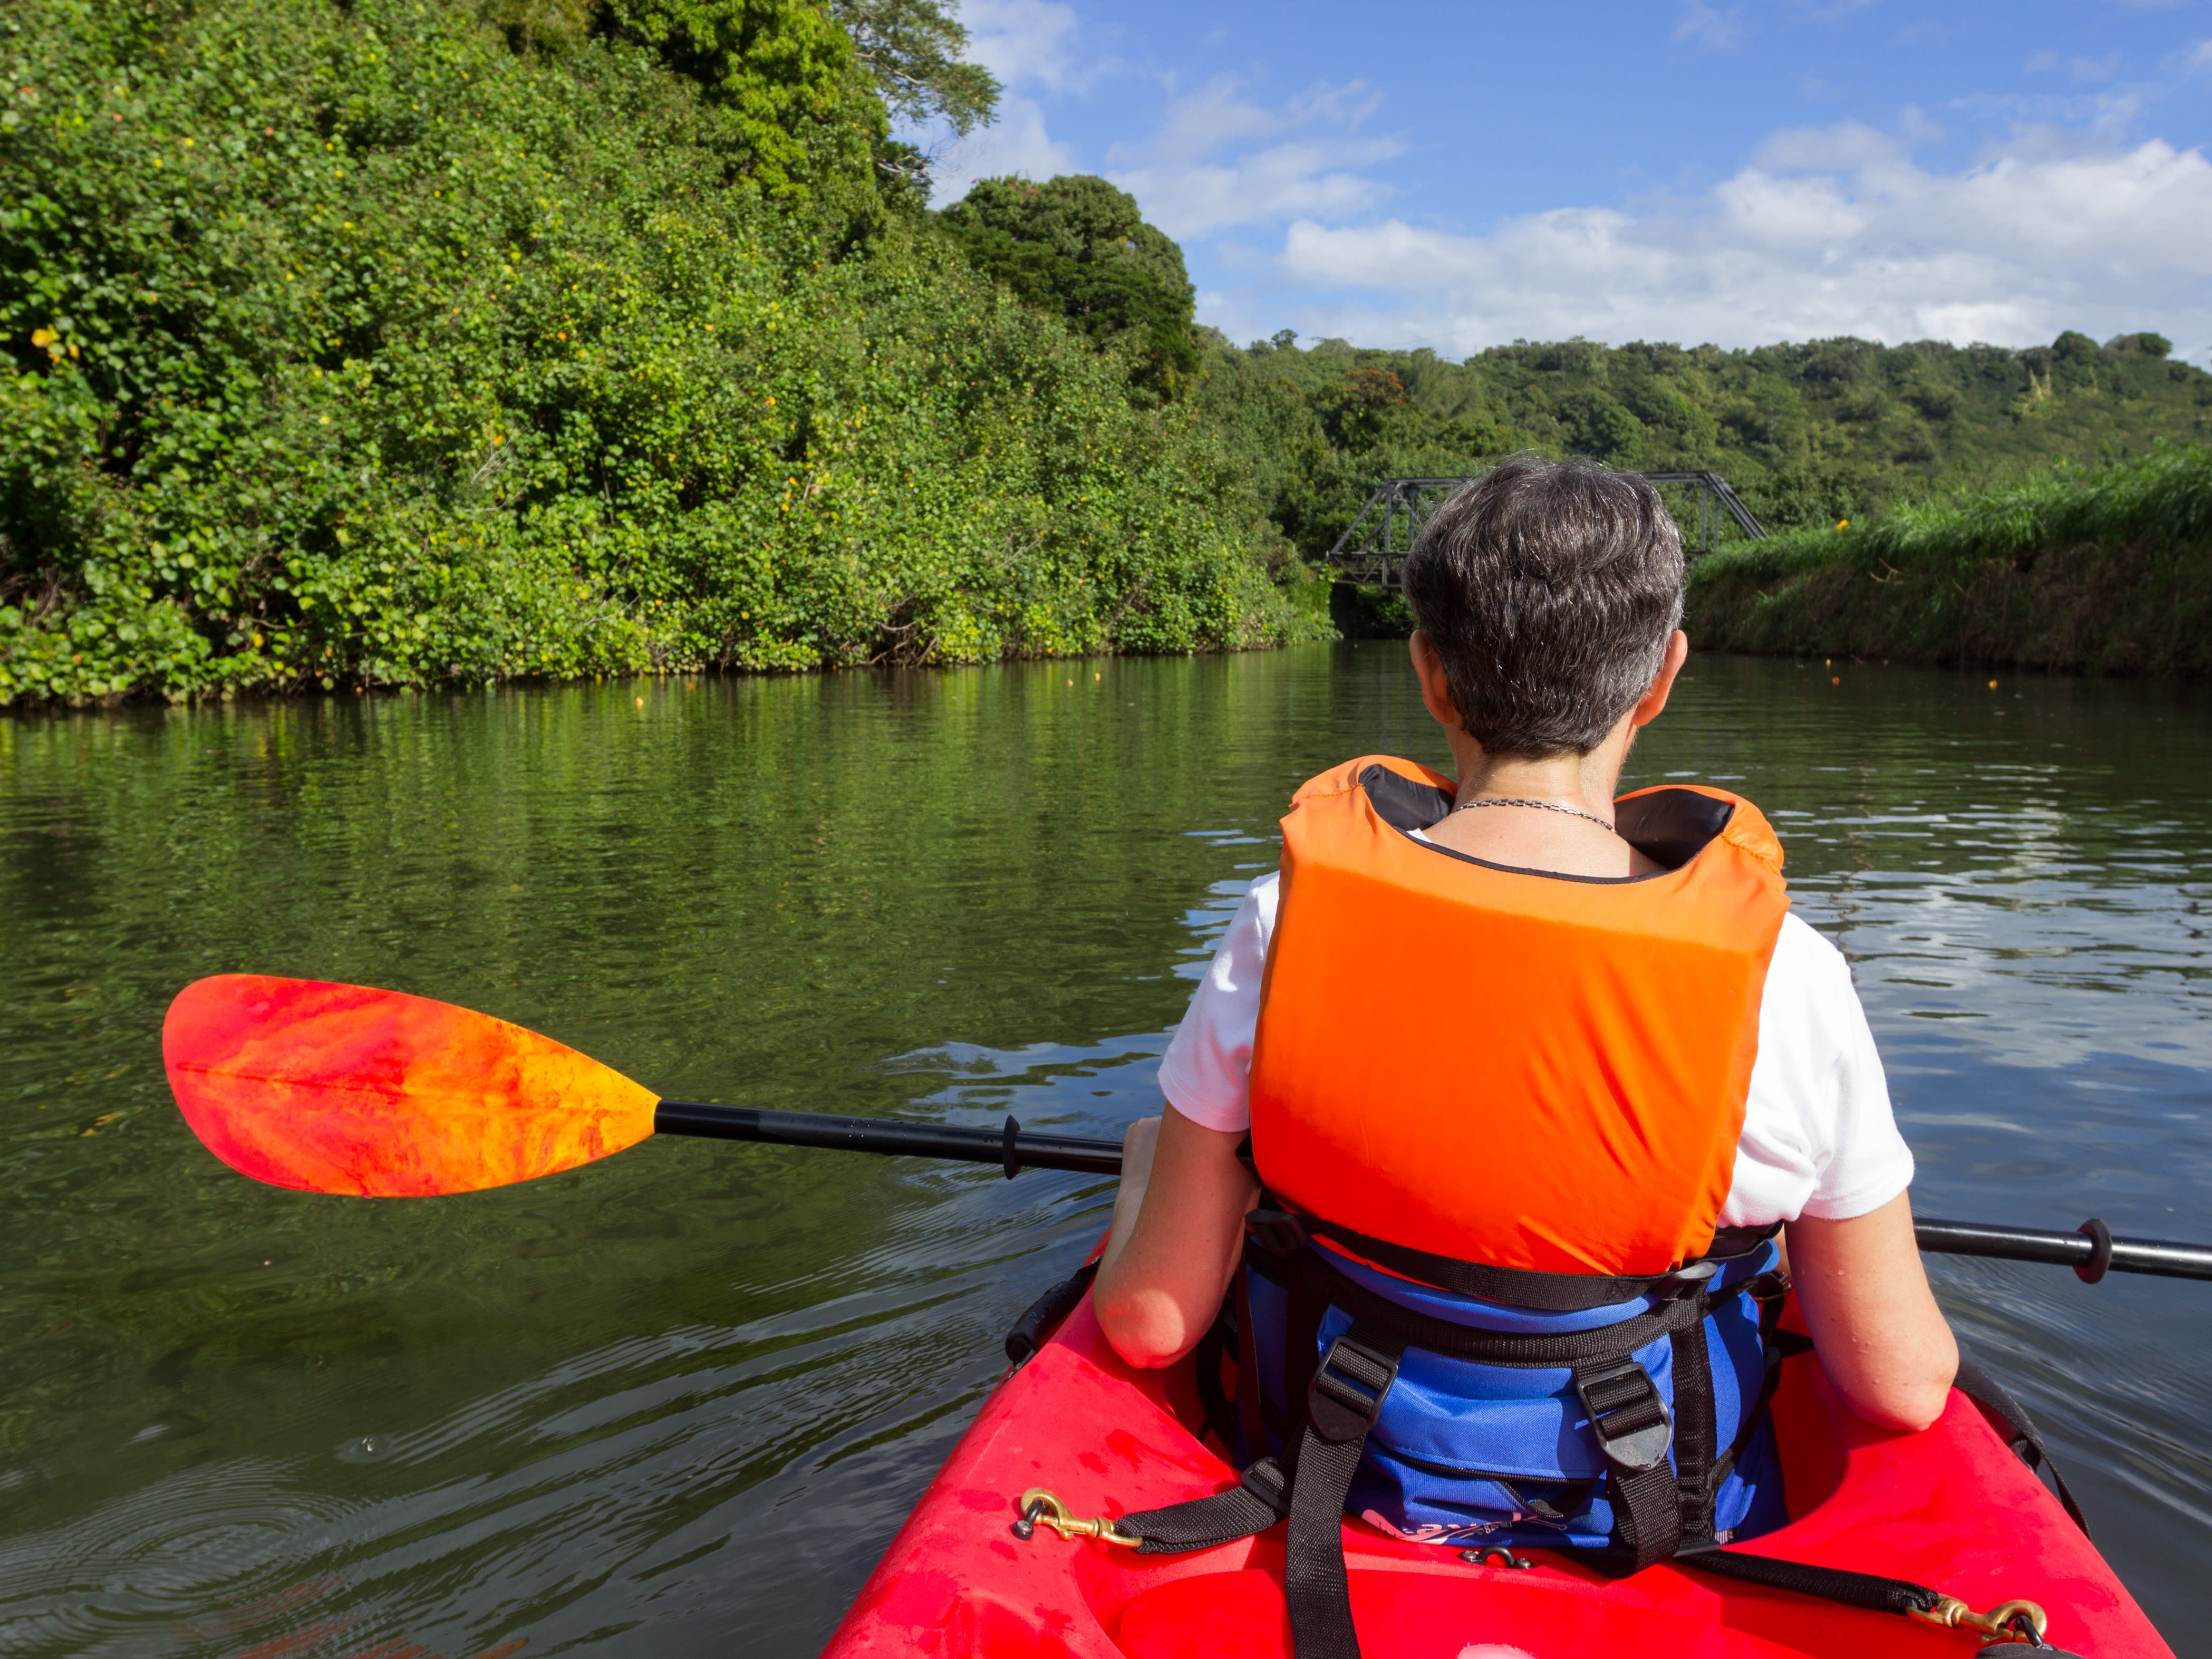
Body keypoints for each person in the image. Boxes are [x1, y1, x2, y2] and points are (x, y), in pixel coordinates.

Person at [1090, 456, 1955, 1608]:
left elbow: (1150, 1326)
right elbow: (1899, 1387)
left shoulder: (1282, 921)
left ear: (1427, 675)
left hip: (1330, 1497)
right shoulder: (1788, 976)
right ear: (1661, 679)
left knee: (1167, 1150)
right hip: (1661, 1522)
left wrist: (1147, 1171)